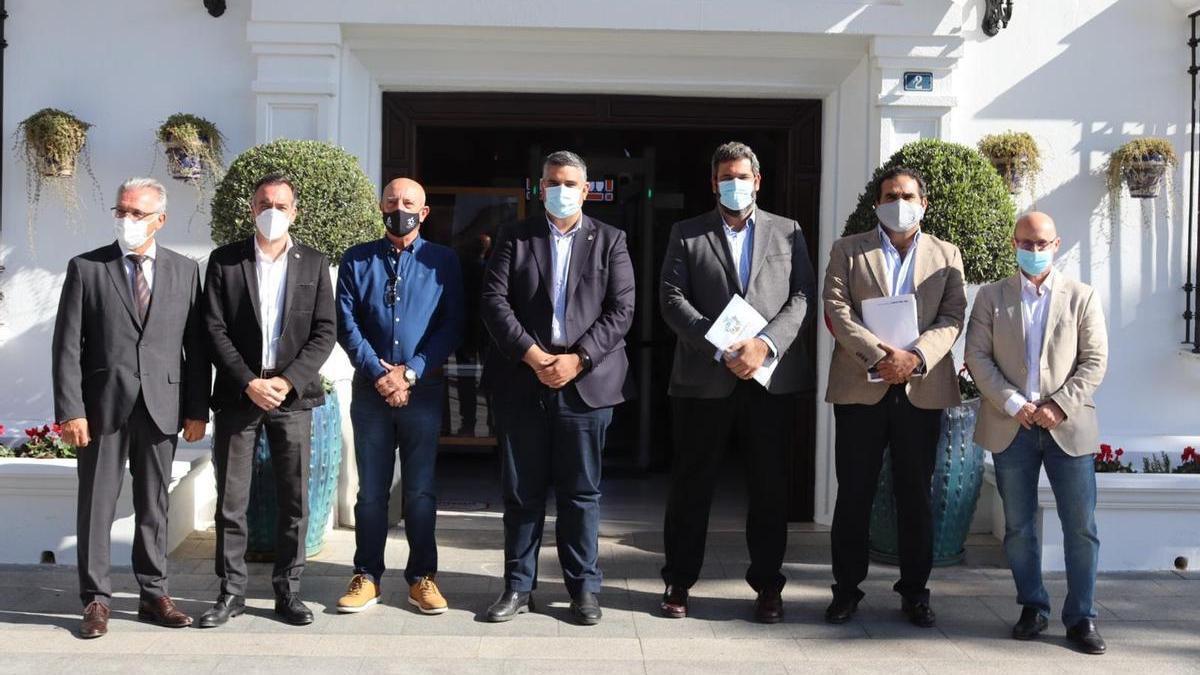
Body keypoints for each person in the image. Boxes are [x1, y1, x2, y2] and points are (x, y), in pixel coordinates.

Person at [657, 141, 816, 622]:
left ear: (758, 181)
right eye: (726, 177)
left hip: (768, 380)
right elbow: (670, 297)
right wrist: (718, 346)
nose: (734, 184)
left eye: (742, 176)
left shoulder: (788, 232)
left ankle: (768, 586)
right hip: (704, 379)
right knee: (691, 485)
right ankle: (679, 583)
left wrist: (763, 345)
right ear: (713, 183)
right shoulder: (685, 234)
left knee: (770, 488)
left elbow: (803, 296)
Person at [480, 150, 635, 625]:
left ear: (585, 190)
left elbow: (621, 311)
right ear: (539, 187)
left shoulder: (611, 240)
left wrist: (578, 358)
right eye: (551, 182)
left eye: (569, 183)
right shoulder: (514, 236)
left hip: (585, 384)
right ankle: (517, 587)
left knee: (581, 493)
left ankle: (584, 589)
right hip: (523, 379)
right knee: (522, 493)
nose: (560, 190)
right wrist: (532, 354)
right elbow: (493, 300)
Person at [52, 177, 209, 639]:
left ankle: (153, 593)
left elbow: (195, 348)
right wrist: (70, 410)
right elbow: (67, 347)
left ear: (160, 219)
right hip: (102, 408)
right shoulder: (86, 268)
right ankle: (96, 599)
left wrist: (197, 409)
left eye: (137, 213)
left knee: (154, 505)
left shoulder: (184, 271)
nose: (127, 220)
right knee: (97, 504)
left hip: (162, 405)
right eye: (121, 211)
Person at [823, 166, 966, 627]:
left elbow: (952, 316)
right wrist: (880, 354)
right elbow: (836, 307)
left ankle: (915, 592)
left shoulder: (947, 254)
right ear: (877, 203)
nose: (898, 201)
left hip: (920, 390)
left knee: (915, 495)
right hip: (861, 385)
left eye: (907, 194)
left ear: (923, 203)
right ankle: (846, 590)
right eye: (890, 194)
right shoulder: (848, 249)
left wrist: (915, 357)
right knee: (854, 494)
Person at [965, 211, 1109, 654]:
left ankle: (1081, 617)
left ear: (1057, 244)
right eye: (1025, 243)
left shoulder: (1081, 297)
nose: (1033, 250)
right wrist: (1016, 404)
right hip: (1013, 426)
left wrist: (1057, 406)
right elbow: (977, 357)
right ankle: (1033, 606)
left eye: (1041, 243)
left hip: (1068, 427)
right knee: (1018, 526)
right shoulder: (991, 297)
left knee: (1080, 527)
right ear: (1014, 245)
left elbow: (1094, 361)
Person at [199, 173, 336, 628]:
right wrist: (246, 382)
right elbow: (213, 329)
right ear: (251, 208)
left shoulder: (314, 263)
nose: (271, 211)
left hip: (292, 398)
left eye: (279, 204)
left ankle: (289, 591)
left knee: (294, 500)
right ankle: (231, 592)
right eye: (263, 203)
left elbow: (324, 332)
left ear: (294, 211)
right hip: (241, 397)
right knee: (231, 501)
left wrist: (289, 381)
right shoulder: (225, 261)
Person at [334, 177, 464, 615]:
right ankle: (366, 576)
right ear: (380, 207)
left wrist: (410, 372)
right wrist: (379, 373)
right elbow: (345, 322)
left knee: (421, 492)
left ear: (424, 212)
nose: (399, 207)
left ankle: (422, 577)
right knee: (370, 492)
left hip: (422, 393)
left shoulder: (443, 262)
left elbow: (451, 325)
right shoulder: (356, 259)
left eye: (409, 202)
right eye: (392, 201)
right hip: (371, 394)